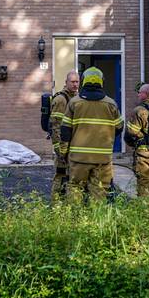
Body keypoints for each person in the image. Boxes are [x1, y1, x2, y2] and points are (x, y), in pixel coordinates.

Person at [59, 67, 123, 201]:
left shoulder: (74, 103)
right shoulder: (111, 104)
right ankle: (96, 219)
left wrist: (63, 152)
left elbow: (65, 130)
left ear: (83, 82)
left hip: (78, 158)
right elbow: (119, 128)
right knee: (99, 191)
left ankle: (75, 220)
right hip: (102, 159)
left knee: (75, 188)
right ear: (101, 82)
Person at [48, 70, 80, 200]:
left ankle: (67, 203)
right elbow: (56, 126)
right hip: (63, 146)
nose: (75, 84)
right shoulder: (61, 99)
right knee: (60, 175)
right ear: (66, 83)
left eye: (77, 82)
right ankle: (56, 204)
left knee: (71, 176)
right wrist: (59, 149)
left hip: (72, 145)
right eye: (72, 82)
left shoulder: (76, 98)